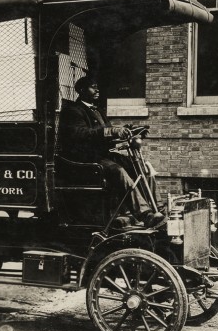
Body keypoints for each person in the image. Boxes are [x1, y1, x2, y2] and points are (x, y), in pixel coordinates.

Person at [58, 76, 165, 228]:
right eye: (93, 87)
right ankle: (145, 214)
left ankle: (158, 209)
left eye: (97, 87)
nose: (97, 90)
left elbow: (106, 133)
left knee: (140, 164)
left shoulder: (97, 110)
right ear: (81, 91)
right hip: (85, 158)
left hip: (101, 155)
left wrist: (130, 131)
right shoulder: (73, 111)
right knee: (118, 171)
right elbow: (82, 134)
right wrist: (111, 131)